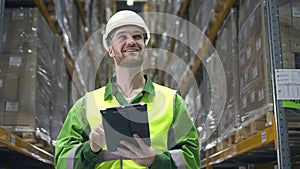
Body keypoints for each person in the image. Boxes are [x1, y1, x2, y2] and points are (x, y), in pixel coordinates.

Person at [55, 10, 200, 169]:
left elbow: (191, 161)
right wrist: (91, 149)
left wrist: (156, 160)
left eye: (137, 36)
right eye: (122, 37)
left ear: (145, 47)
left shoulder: (172, 102)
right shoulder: (86, 106)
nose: (131, 41)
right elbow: (63, 161)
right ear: (110, 50)